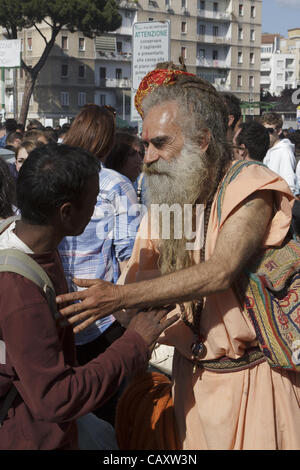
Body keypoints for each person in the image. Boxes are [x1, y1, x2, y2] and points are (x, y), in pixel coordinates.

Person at [57, 73, 300, 450]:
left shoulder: (249, 183)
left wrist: (119, 297)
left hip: (255, 385)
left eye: (160, 144)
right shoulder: (175, 202)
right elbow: (148, 281)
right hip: (192, 384)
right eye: (145, 145)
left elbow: (220, 271)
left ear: (203, 140)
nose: (148, 158)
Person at [0, 143, 177, 450]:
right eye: (93, 202)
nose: (96, 210)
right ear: (66, 213)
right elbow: (55, 398)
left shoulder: (27, 240)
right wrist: (134, 341)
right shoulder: (18, 289)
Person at [58, 104, 140, 425]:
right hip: (101, 317)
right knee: (106, 418)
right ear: (108, 143)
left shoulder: (50, 175)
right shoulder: (116, 185)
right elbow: (128, 255)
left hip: (56, 314)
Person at [261, 112, 298, 195]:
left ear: (278, 131)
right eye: (263, 130)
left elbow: (289, 187)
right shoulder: (267, 150)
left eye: (269, 130)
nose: (265, 134)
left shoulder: (285, 152)